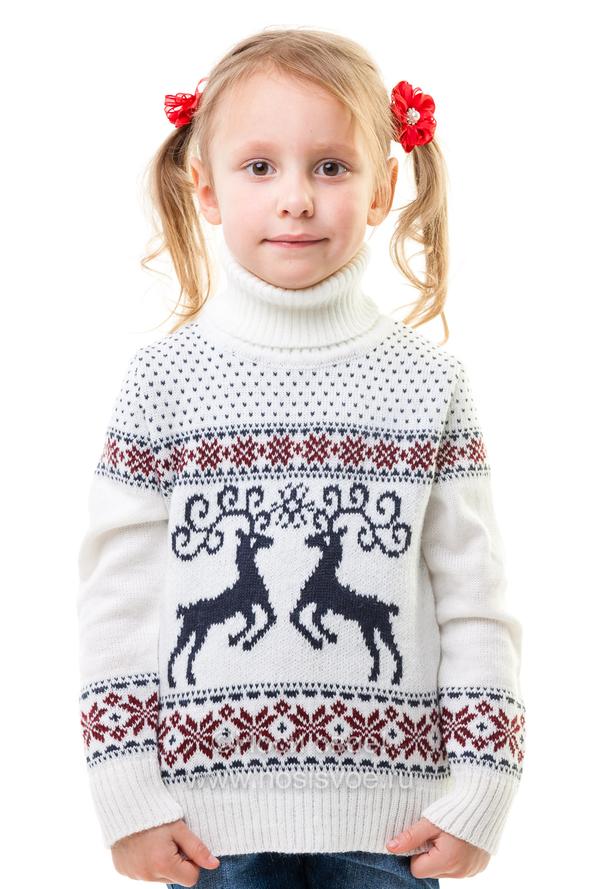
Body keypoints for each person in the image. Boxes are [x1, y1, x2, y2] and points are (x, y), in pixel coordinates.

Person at [76, 26, 526, 889]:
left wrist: (484, 783)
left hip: (393, 825)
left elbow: (475, 596)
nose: (295, 199)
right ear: (206, 188)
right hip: (208, 828)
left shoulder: (428, 383)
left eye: (330, 166)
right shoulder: (164, 382)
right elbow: (116, 598)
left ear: (383, 187)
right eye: (259, 167)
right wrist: (126, 794)